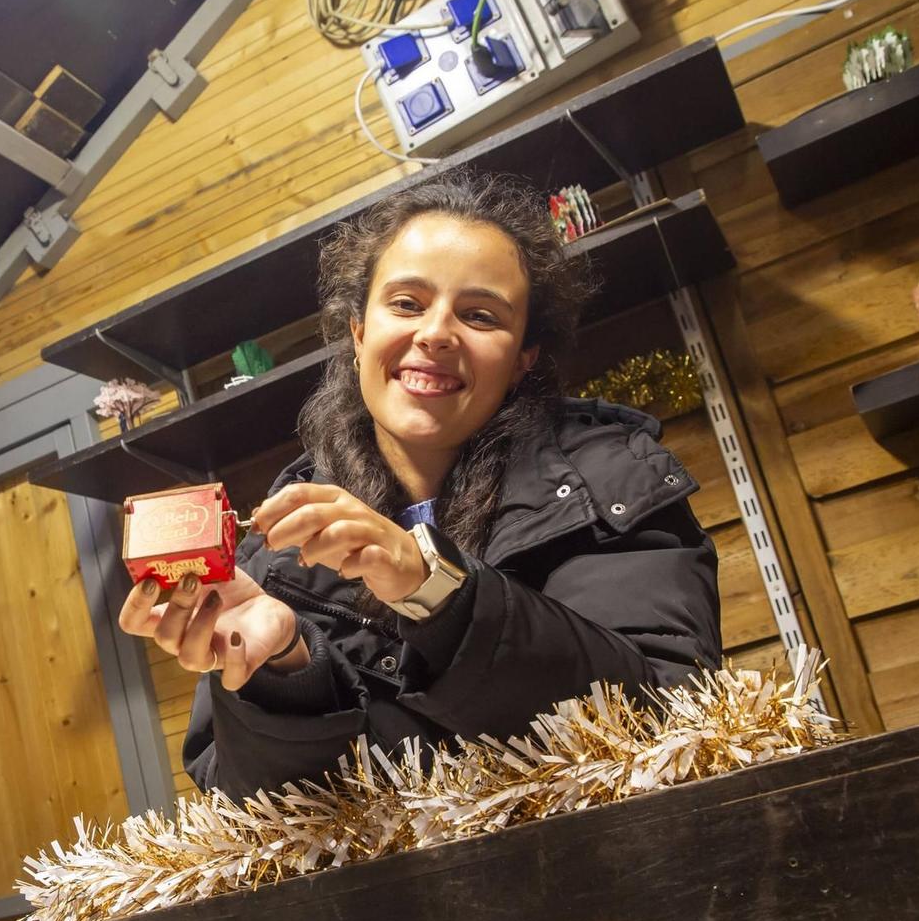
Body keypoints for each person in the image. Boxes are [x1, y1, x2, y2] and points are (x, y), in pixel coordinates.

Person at [118, 171, 721, 796]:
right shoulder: (275, 554)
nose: (435, 333)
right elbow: (254, 819)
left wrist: (436, 588)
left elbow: (669, 720)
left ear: (522, 359)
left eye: (480, 314)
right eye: (406, 303)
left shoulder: (611, 479)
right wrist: (286, 666)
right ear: (358, 333)